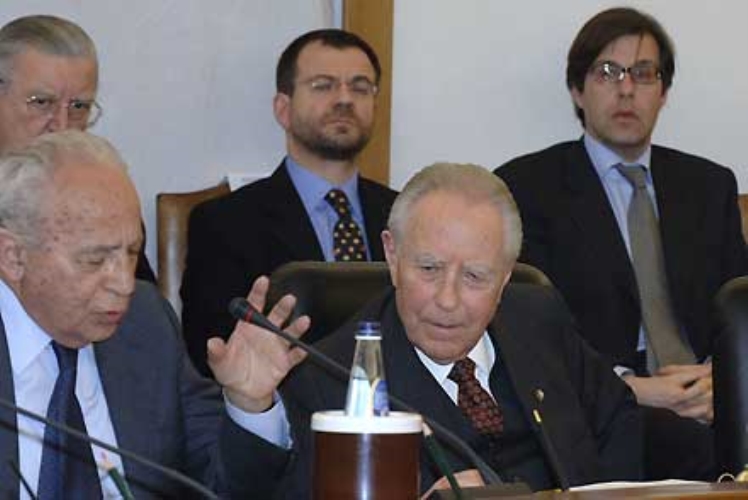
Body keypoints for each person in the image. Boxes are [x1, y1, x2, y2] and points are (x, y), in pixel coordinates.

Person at [217, 163, 642, 497]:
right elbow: (267, 492)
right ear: (392, 255)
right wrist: (252, 407)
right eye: (429, 268)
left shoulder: (539, 318)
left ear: (505, 277)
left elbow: (618, 420)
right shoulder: (331, 378)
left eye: (475, 276)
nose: (448, 299)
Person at [495, 7, 748, 479]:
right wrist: (633, 388)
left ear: (663, 92)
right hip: (604, 401)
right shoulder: (528, 188)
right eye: (608, 72)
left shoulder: (709, 185)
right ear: (578, 89)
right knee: (687, 445)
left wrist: (723, 379)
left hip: (710, 391)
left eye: (644, 73)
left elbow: (738, 306)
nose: (627, 89)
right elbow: (532, 328)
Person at [0, 130, 307, 499]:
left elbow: (222, 484)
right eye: (95, 260)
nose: (124, 284)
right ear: (13, 257)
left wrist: (249, 405)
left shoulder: (145, 322)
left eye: (132, 252)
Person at [181, 28, 397, 376]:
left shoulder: (404, 214)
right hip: (283, 401)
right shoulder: (224, 223)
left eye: (360, 87)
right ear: (283, 109)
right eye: (323, 85)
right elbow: (210, 349)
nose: (344, 99)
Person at [0, 14, 155, 282]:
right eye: (41, 102)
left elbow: (136, 303)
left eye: (79, 106)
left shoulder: (106, 204)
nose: (62, 126)